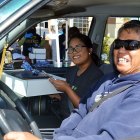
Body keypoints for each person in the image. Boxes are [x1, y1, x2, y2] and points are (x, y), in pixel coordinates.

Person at [4, 20, 140, 140]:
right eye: (118, 44)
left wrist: (66, 89)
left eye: (132, 45)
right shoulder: (107, 80)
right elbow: (81, 111)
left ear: (89, 50)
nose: (121, 50)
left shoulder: (135, 93)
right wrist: (60, 135)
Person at [50, 33, 103, 108]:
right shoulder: (71, 71)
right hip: (61, 114)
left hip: (76, 118)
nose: (74, 52)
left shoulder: (96, 76)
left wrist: (67, 89)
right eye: (70, 49)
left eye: (78, 47)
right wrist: (56, 95)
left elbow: (85, 107)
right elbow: (67, 98)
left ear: (89, 50)